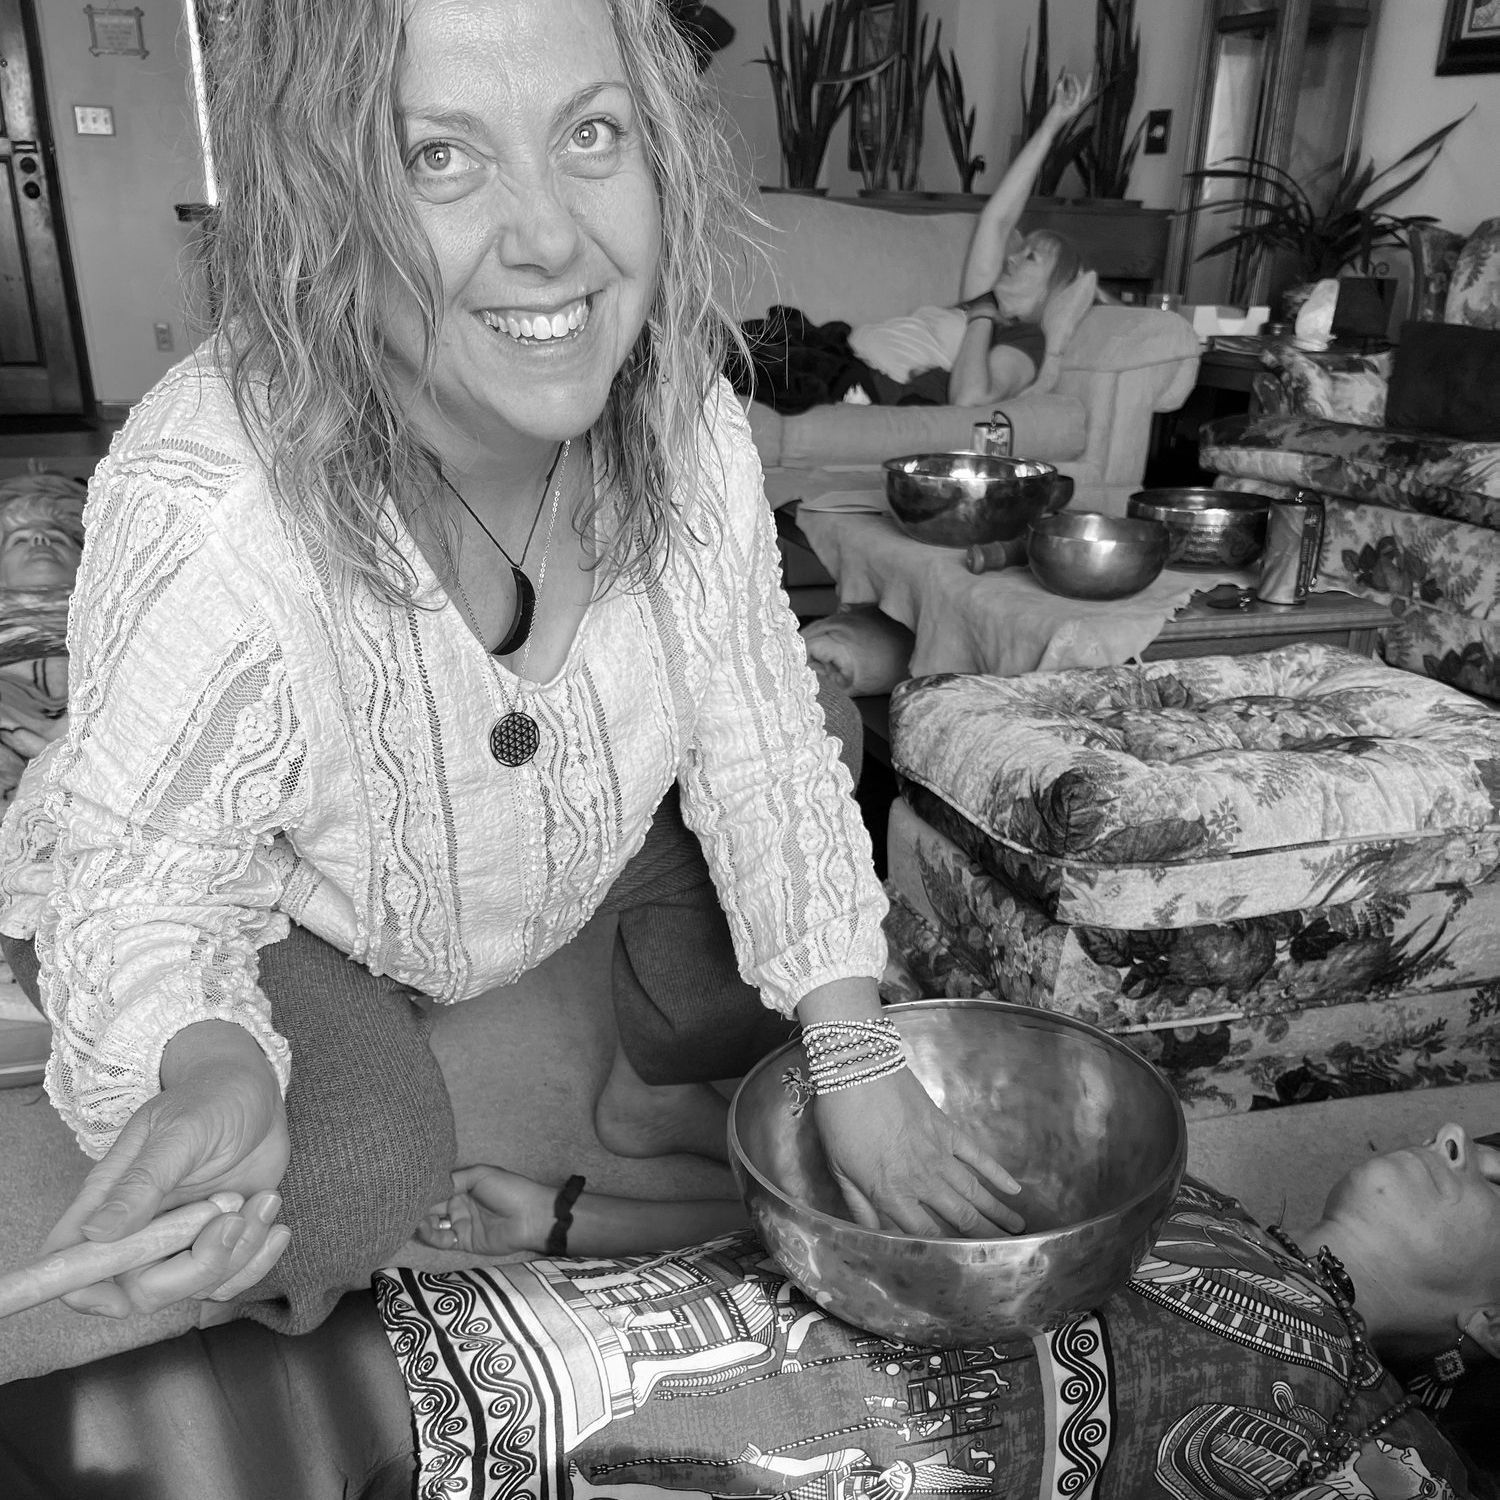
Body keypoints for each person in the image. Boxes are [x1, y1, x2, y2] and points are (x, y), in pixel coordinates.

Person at [0, 0, 1023, 1340]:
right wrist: (205, 1063)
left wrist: (853, 1042)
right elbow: (142, 880)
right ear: (320, 196)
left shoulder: (689, 422)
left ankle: (629, 1051)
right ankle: (379, 1013)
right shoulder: (209, 498)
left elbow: (764, 738)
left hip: (565, 838)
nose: (551, 240)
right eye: (439, 155)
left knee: (816, 782)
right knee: (330, 1191)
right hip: (298, 889)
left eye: (591, 134)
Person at [841, 71, 1093, 409]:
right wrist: (1053, 122)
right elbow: (997, 220)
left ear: (1050, 289)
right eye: (1021, 251)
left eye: (1031, 257)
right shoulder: (982, 300)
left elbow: (971, 397)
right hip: (839, 354)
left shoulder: (1023, 338)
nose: (1012, 257)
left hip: (862, 387)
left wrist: (982, 312)